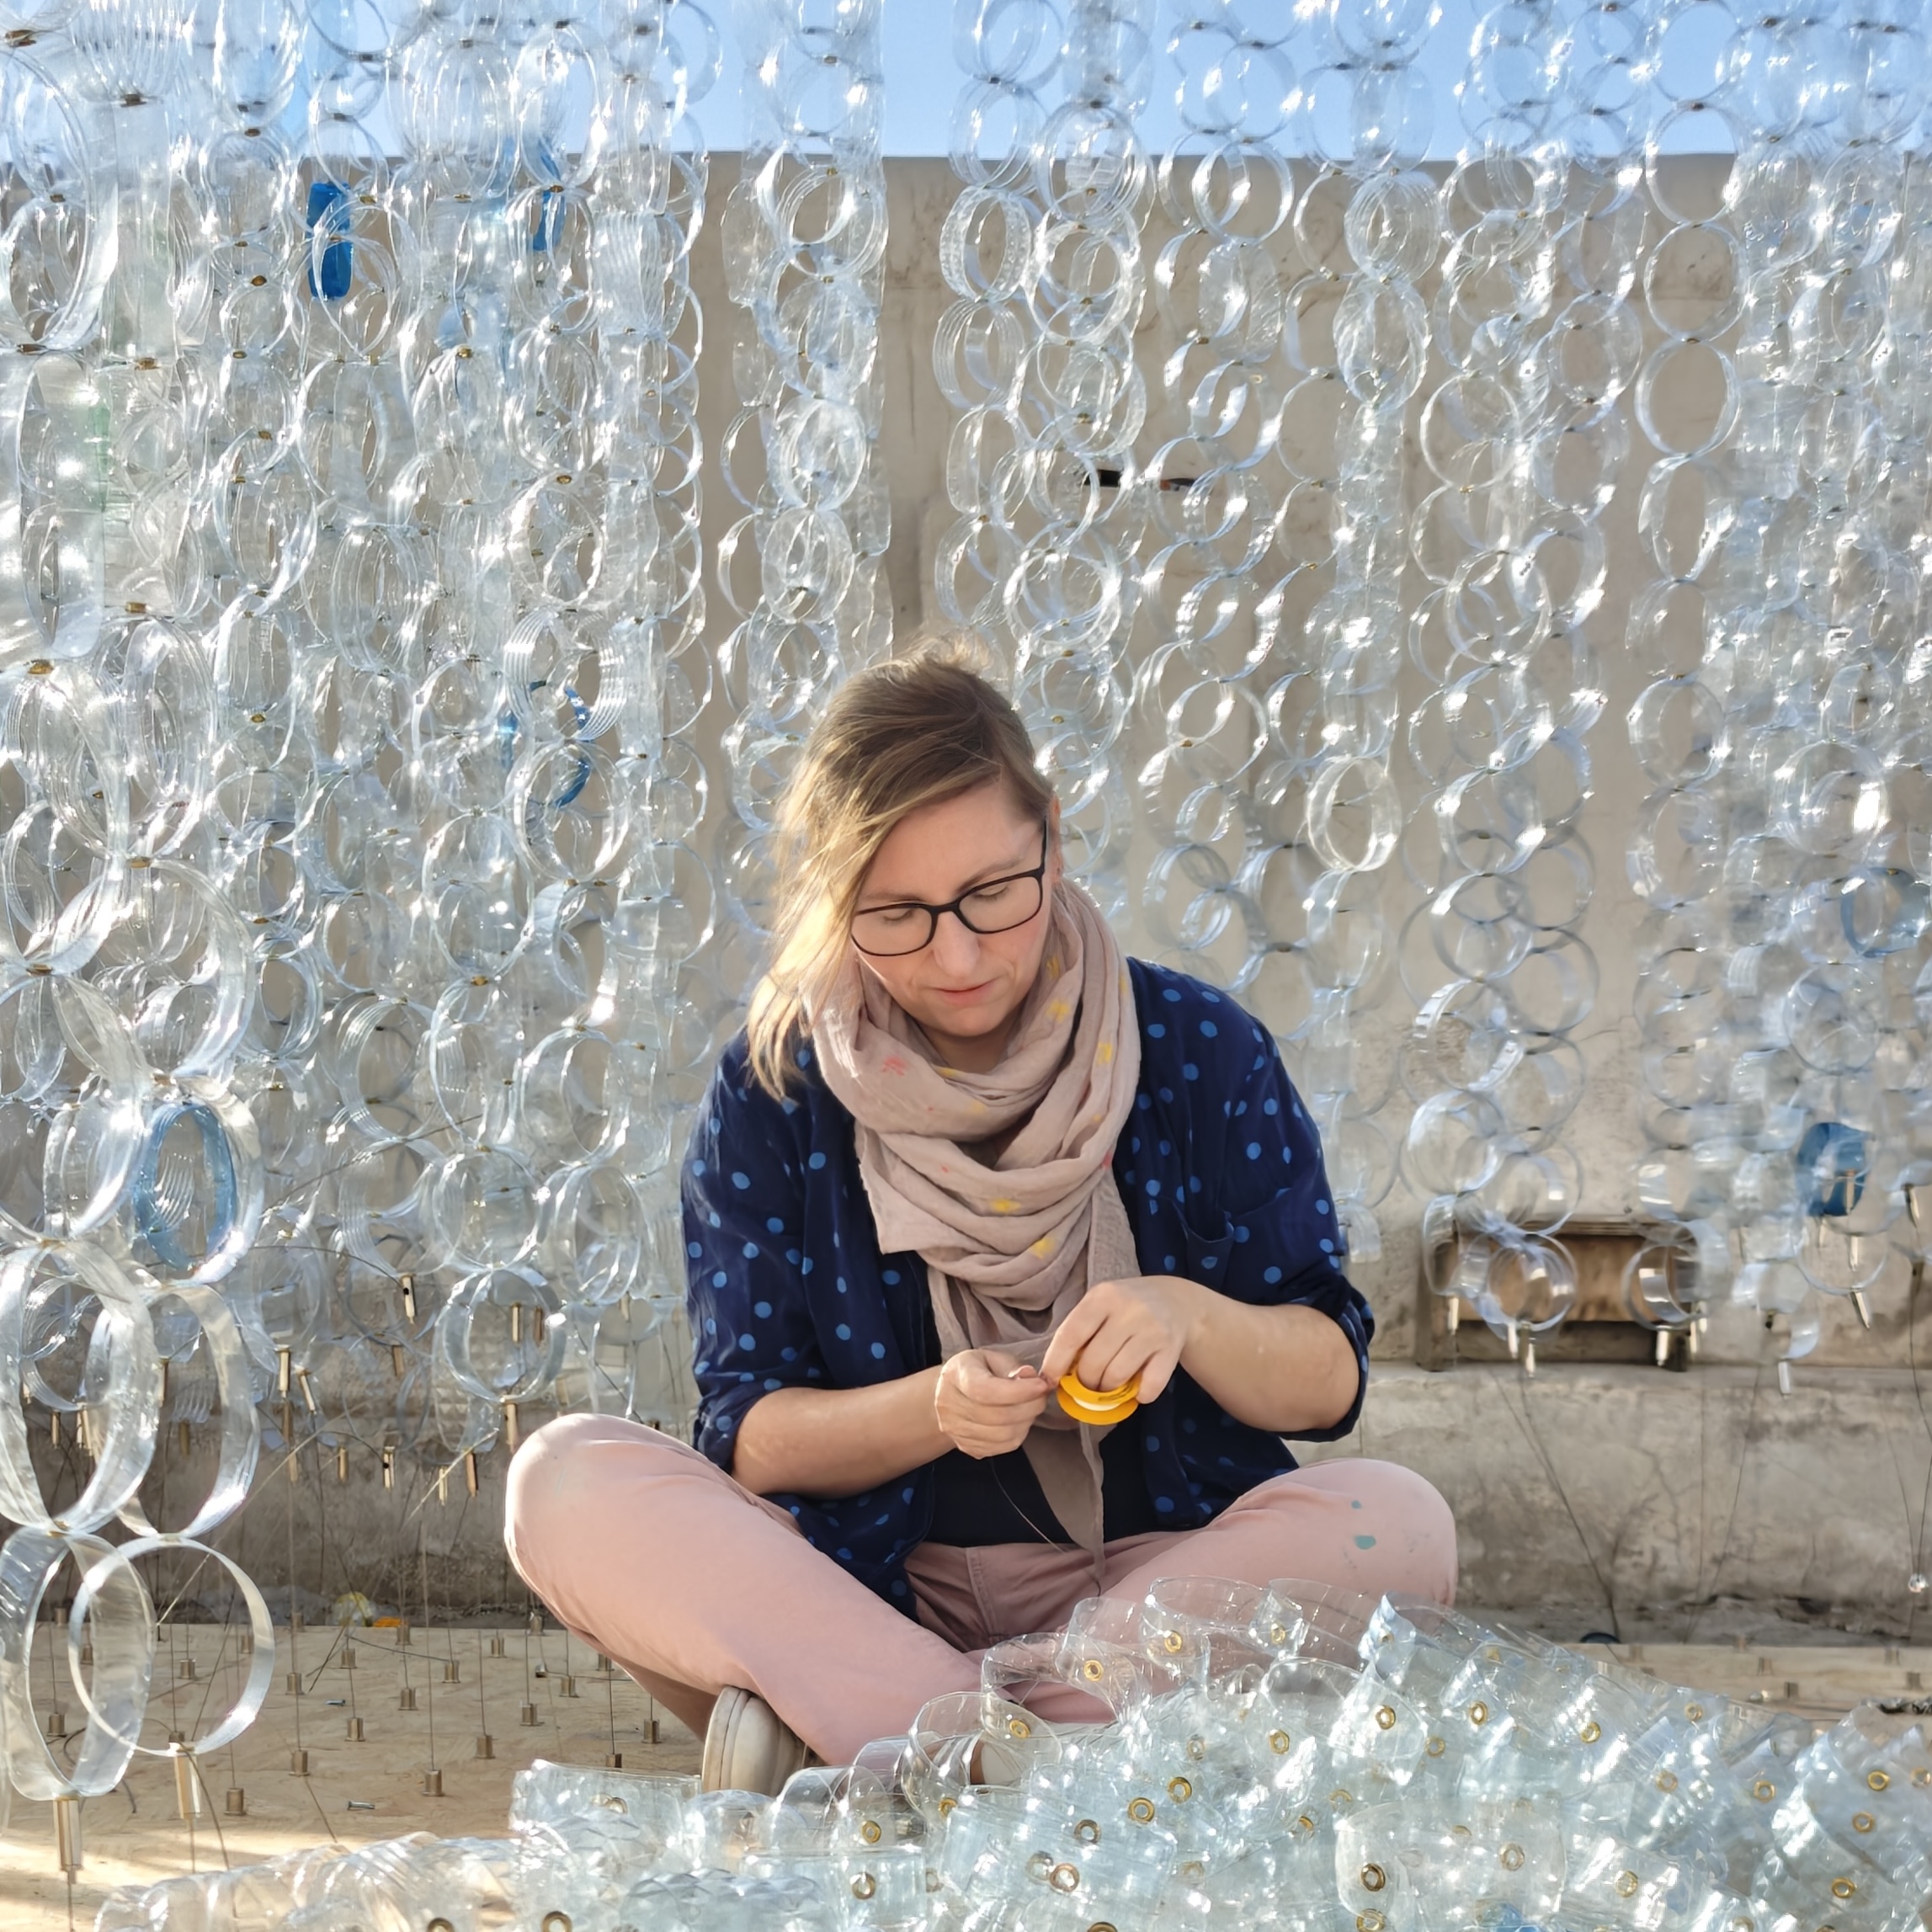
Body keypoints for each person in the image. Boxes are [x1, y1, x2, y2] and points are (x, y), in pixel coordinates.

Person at [506, 641, 1455, 1792]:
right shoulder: (778, 1087)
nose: (956, 954)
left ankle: (886, 1750)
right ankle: (1044, 1762)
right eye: (896, 913)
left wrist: (1186, 1317)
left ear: (1052, 834)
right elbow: (751, 1435)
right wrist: (933, 1411)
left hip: (1154, 1597)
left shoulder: (1200, 1050)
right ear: (836, 900)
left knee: (1397, 1521)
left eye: (992, 894)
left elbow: (1327, 1380)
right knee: (562, 1481)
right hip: (866, 1596)